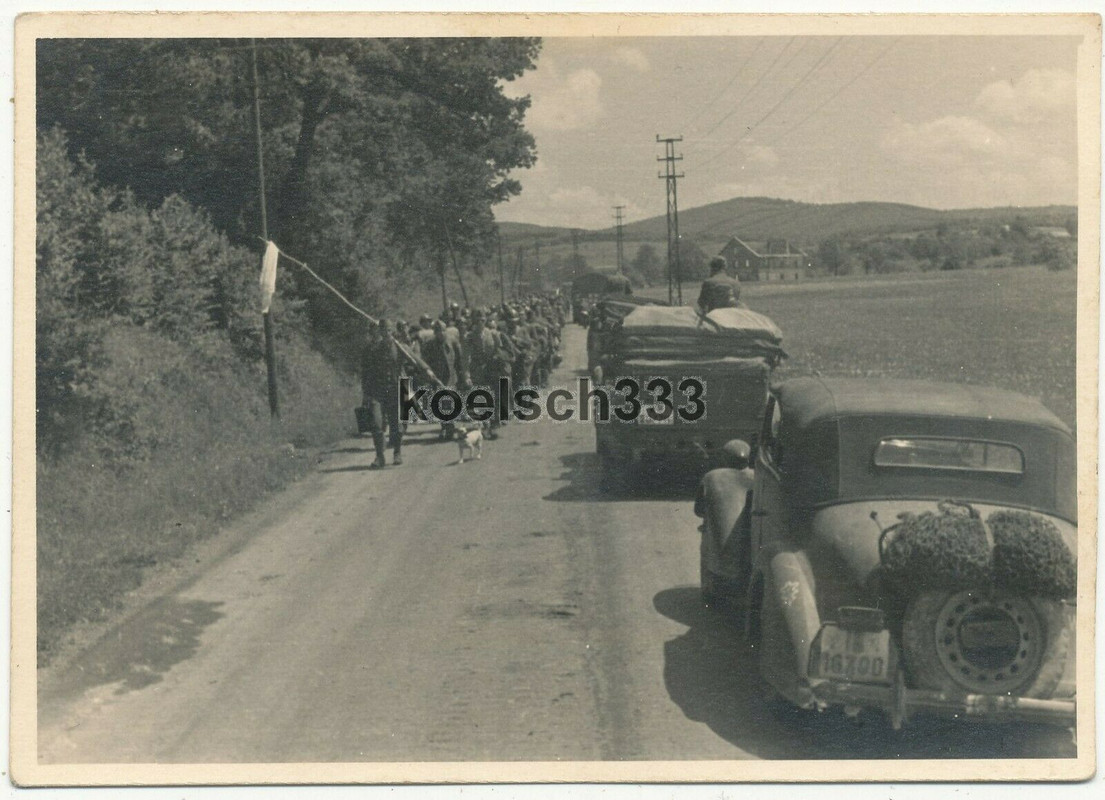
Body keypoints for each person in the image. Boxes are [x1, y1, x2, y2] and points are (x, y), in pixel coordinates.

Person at [360, 318, 404, 468]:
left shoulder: (399, 348)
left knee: (396, 424)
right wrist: (365, 393)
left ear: (392, 332)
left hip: (394, 390)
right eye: (383, 330)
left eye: (389, 330)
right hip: (377, 392)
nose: (386, 333)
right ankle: (380, 456)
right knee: (376, 424)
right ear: (379, 331)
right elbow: (365, 373)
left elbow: (415, 361)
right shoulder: (371, 350)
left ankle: (397, 452)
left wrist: (428, 371)